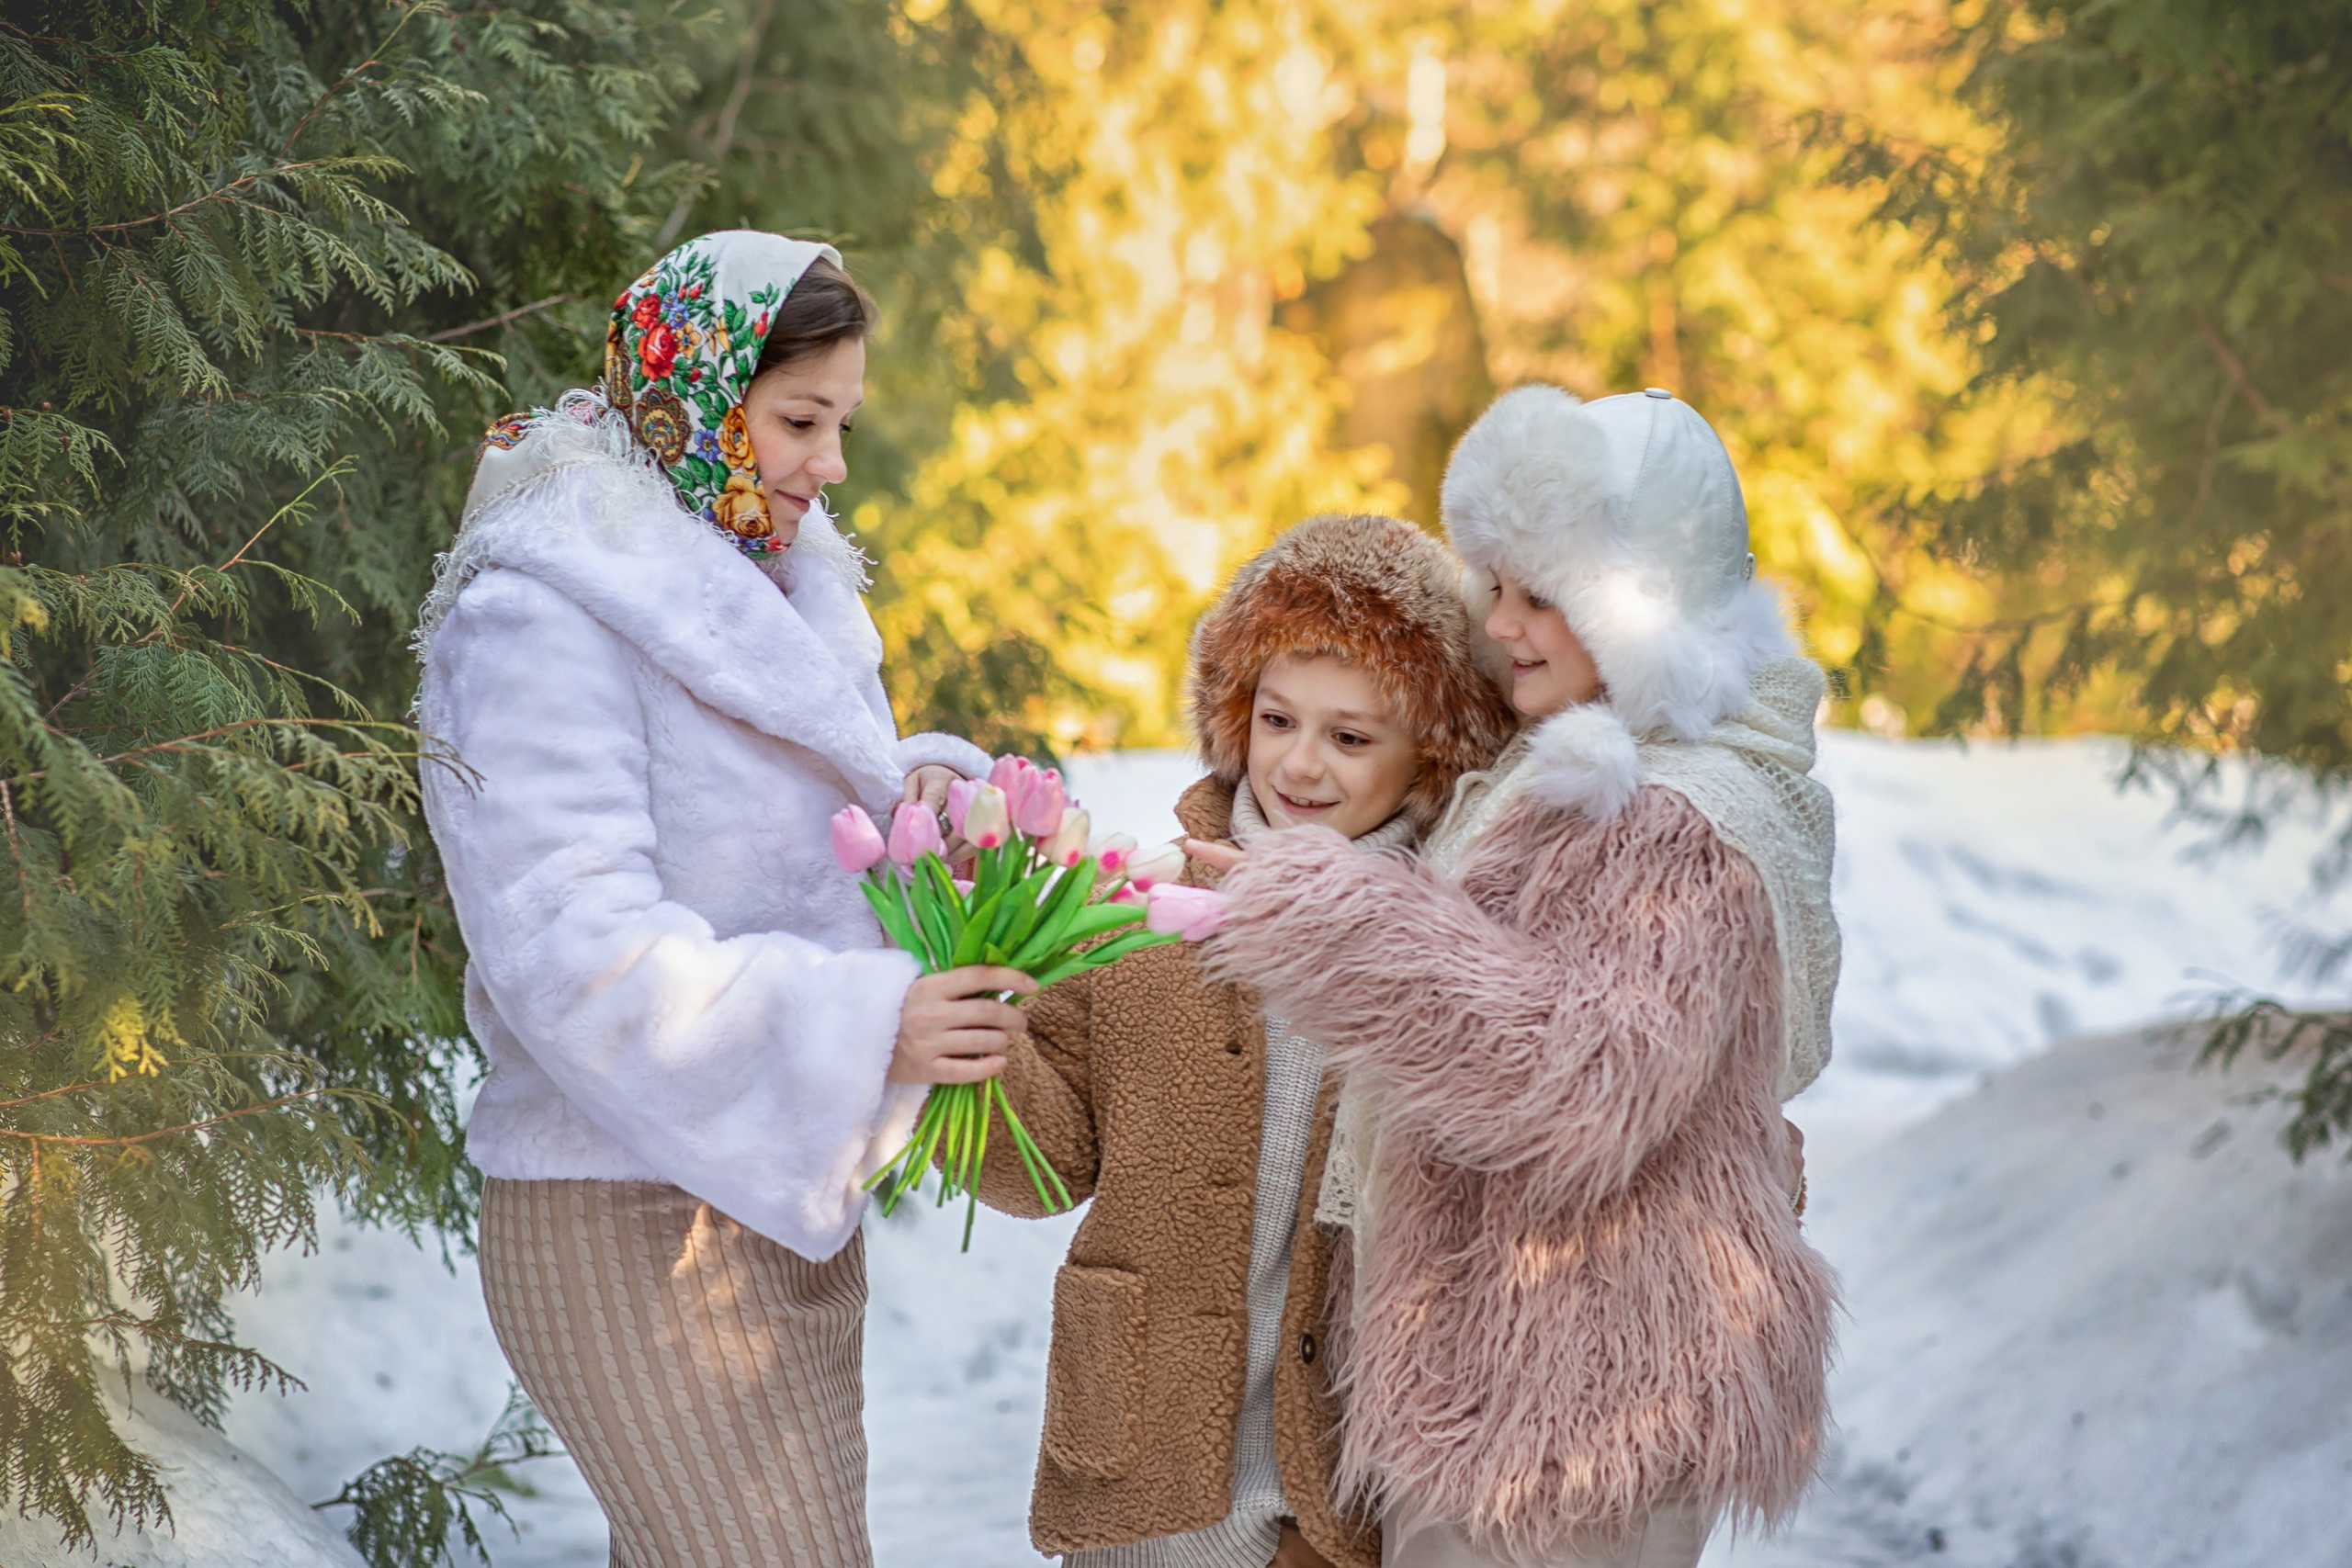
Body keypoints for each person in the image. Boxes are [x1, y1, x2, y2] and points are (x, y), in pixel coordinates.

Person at [414, 231, 1027, 1568]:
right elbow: (569, 947)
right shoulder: (542, 611)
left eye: (842, 423)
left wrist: (922, 801)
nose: (833, 463)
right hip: (623, 1214)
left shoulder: (777, 575)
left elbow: (783, 839)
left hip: (774, 1195)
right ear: (688, 396)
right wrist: (870, 1022)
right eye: (801, 420)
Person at [1199, 386, 1840, 1568]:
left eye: (1542, 595)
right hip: (1509, 1380)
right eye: (1495, 585)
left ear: (1638, 605)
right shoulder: (1578, 766)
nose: (1499, 622)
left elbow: (1580, 1076)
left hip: (1572, 1405)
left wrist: (1330, 915)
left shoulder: (1674, 817)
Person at [968, 516, 1522, 1568]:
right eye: (1277, 721)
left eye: (1350, 738)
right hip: (1142, 1476)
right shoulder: (1138, 904)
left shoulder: (1443, 943)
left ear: (1429, 751)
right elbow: (1043, 1166)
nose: (1299, 765)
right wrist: (975, 1054)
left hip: (1333, 1493)